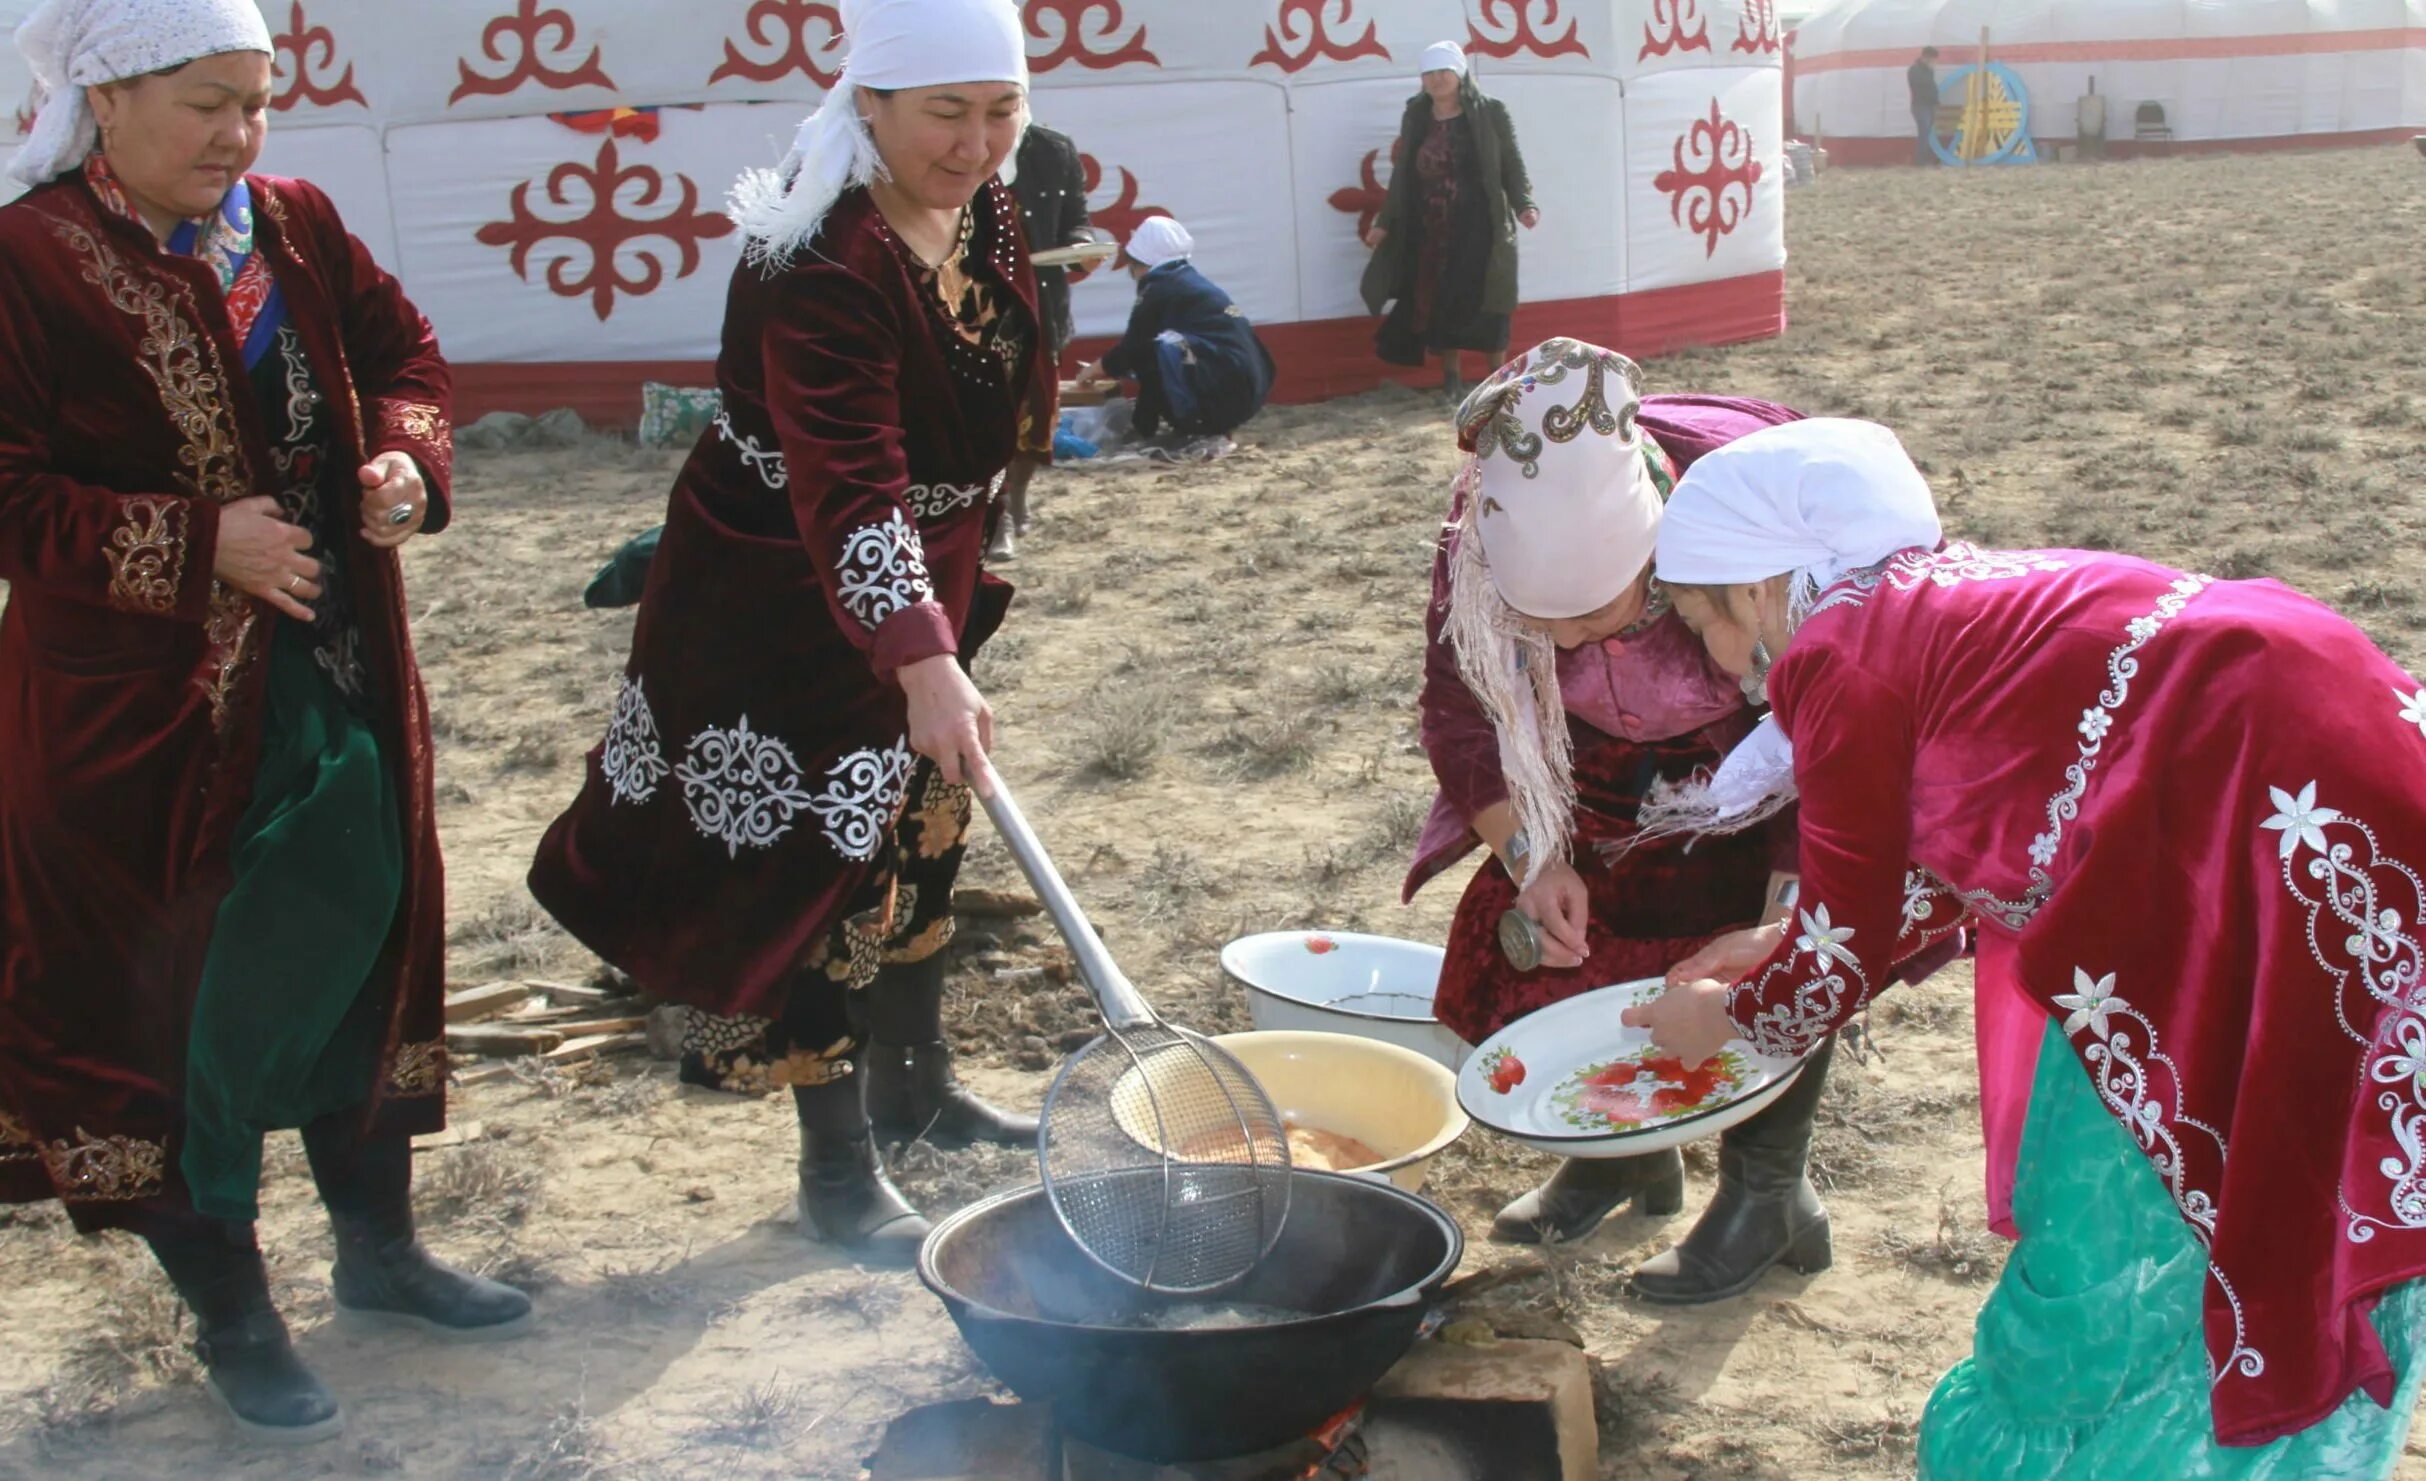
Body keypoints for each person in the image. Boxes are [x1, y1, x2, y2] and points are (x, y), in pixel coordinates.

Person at [1626, 417, 2426, 1474]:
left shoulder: (1835, 655)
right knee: (2301, 1121)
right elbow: (1974, 823)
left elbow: (1844, 942)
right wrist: (1779, 934)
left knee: (2163, 1185)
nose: (1719, 660)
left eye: (1701, 620)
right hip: (2323, 745)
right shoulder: (1920, 600)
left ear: (1755, 585)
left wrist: (1724, 1017)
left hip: (2252, 818)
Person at [0, 0, 528, 1442]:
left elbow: (403, 351)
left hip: (336, 661)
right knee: (179, 1000)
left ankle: (382, 1252)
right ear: (102, 97)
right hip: (137, 718)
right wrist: (191, 541)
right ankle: (235, 1315)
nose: (239, 134)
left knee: (358, 938)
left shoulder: (289, 220)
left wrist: (403, 460)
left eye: (258, 100)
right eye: (203, 102)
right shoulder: (27, 259)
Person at [528, 0, 1053, 1263]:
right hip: (780, 590)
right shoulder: (819, 258)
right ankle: (837, 1169)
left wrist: (946, 606)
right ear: (867, 102)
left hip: (920, 573)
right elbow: (847, 481)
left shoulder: (981, 203)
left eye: (1000, 111)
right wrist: (921, 654)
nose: (977, 142)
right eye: (945, 113)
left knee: (927, 820)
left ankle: (914, 1084)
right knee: (828, 866)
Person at [1409, 339, 1850, 1299]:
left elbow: (1832, 750)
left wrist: (1785, 909)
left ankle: (1769, 1193)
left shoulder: (1758, 533)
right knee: (1590, 938)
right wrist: (1534, 854)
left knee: (1764, 954)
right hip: (1585, 770)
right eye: (1545, 627)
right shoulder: (1484, 537)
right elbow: (1459, 712)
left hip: (1768, 768)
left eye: (1600, 616)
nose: (1569, 642)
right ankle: (1622, 1150)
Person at [1360, 42, 1539, 403]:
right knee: (1441, 298)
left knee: (1489, 299)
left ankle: (1496, 380)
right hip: (1430, 224)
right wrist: (1386, 221)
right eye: (1429, 73)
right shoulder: (1417, 114)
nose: (1437, 80)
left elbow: (1511, 162)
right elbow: (1403, 172)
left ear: (1459, 74)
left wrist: (1524, 203)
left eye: (1444, 72)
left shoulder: (1490, 111)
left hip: (1481, 222)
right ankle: (1451, 379)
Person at [1073, 216, 1274, 444]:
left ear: (1140, 260)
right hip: (1249, 389)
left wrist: (1093, 371)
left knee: (1154, 351)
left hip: (1223, 395)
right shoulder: (1185, 279)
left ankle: (1162, 427)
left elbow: (1132, 347)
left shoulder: (1160, 288)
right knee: (1155, 350)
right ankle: (1149, 426)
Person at [997, 119, 1090, 560]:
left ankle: (1017, 499)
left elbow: (1076, 218)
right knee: (986, 419)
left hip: (1041, 307)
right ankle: (995, 517)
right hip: (977, 310)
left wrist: (1079, 243)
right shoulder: (953, 146)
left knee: (1035, 416)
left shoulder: (1051, 150)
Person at [1910, 46, 1941, 166]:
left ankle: (1925, 159)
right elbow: (1921, 87)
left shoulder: (1928, 70)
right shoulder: (1915, 70)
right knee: (1923, 133)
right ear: (1926, 58)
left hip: (1928, 105)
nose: (1934, 62)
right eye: (1933, 59)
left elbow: (1932, 87)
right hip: (1920, 106)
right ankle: (1921, 160)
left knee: (1927, 133)